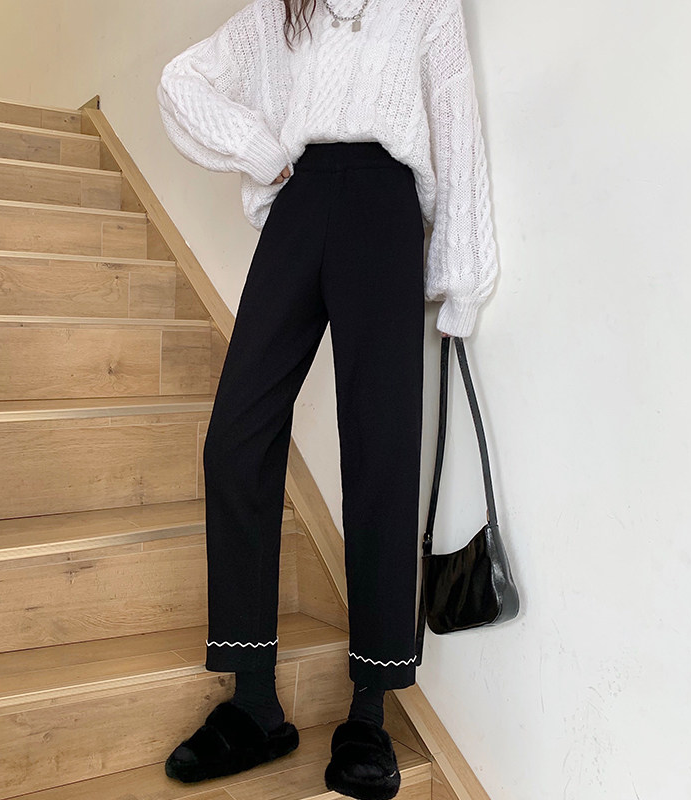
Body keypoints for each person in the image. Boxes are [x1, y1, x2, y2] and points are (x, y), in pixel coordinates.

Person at [155, 0, 498, 797]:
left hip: (384, 206)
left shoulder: (426, 5)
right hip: (301, 199)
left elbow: (455, 123)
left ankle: (369, 712)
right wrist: (260, 147)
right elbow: (182, 81)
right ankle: (253, 704)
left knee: (381, 450)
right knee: (237, 438)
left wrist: (461, 278)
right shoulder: (282, 9)